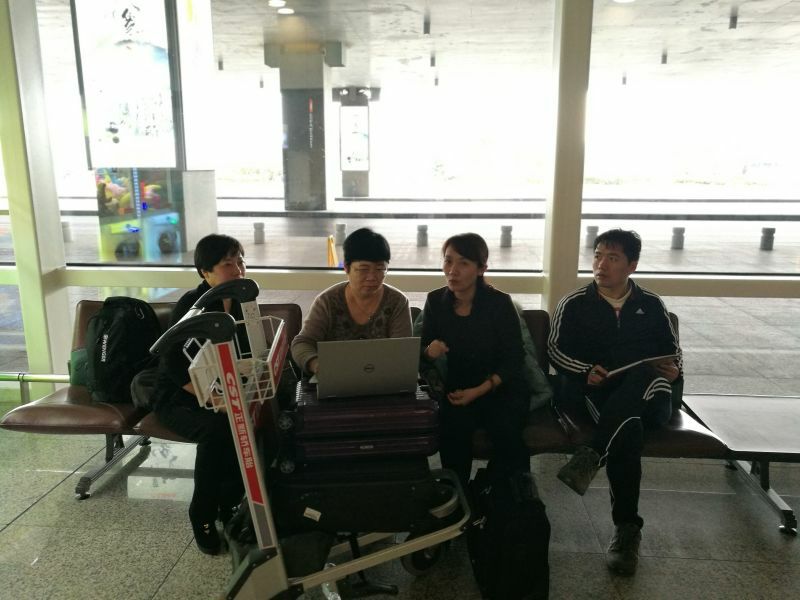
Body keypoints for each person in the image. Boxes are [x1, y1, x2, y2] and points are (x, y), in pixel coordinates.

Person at [547, 228, 682, 576]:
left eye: (612, 258)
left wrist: (673, 368)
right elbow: (555, 350)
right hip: (602, 392)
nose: (601, 265)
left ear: (631, 265)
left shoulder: (651, 304)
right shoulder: (575, 303)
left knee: (642, 375)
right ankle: (627, 528)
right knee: (628, 429)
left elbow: (672, 351)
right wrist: (585, 371)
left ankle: (593, 453)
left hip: (654, 394)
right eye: (597, 256)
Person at [152, 234, 248, 555]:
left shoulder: (241, 302)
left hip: (219, 390)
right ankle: (202, 513)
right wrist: (212, 399)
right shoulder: (192, 306)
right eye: (228, 264)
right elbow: (172, 363)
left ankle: (228, 503)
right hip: (178, 395)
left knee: (245, 425)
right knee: (218, 430)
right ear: (206, 273)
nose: (238, 269)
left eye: (240, 261)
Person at [420, 233, 530, 487]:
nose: (453, 270)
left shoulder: (499, 303)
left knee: (506, 432)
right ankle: (458, 495)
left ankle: (495, 489)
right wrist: (429, 351)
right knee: (452, 433)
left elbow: (515, 358)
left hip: (500, 385)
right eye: (448, 261)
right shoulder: (436, 301)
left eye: (463, 263)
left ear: (481, 269)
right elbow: (421, 352)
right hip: (459, 386)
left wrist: (480, 390)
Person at [291, 227, 412, 375]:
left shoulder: (397, 302)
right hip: (335, 377)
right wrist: (317, 365)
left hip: (384, 379)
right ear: (346, 268)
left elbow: (402, 351)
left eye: (380, 269)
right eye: (363, 269)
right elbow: (302, 343)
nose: (372, 277)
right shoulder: (327, 301)